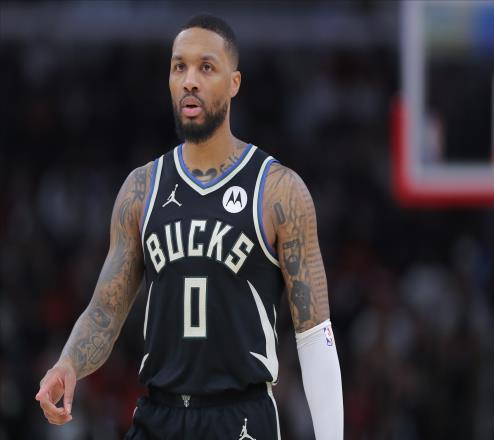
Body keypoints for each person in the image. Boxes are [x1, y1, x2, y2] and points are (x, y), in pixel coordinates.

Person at [35, 14, 343, 440]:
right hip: (158, 414)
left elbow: (314, 334)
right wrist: (68, 363)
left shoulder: (278, 190)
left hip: (241, 418)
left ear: (234, 83)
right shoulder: (141, 188)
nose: (190, 81)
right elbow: (105, 310)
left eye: (206, 67)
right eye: (179, 67)